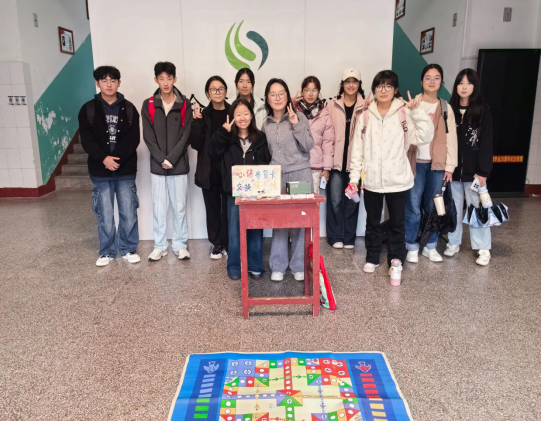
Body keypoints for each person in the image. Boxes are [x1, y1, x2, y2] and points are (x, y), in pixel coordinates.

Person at [348, 70, 434, 274]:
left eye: (388, 86)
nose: (383, 90)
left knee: (397, 222)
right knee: (372, 222)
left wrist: (417, 111)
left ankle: (396, 258)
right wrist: (354, 178)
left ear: (395, 90)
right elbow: (357, 150)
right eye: (379, 86)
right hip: (371, 180)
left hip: (398, 179)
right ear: (374, 90)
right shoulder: (366, 115)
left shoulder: (404, 113)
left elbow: (425, 136)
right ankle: (372, 257)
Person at [79, 65, 141, 267]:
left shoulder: (129, 108)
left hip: (125, 170)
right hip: (100, 171)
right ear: (97, 83)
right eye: (104, 80)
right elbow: (87, 140)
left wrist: (116, 159)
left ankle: (128, 248)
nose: (109, 84)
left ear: (119, 83)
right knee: (104, 215)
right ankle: (107, 251)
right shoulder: (88, 109)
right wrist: (103, 158)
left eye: (113, 80)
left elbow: (133, 139)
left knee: (128, 213)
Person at [211, 99, 271, 280]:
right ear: (232, 117)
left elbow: (266, 161)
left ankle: (255, 265)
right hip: (233, 193)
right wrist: (223, 133)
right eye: (238, 114)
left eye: (245, 113)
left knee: (255, 229)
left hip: (255, 193)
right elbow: (213, 153)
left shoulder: (260, 137)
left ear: (251, 115)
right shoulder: (226, 137)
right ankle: (235, 267)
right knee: (234, 231)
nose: (242, 118)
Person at [261, 78, 315, 282]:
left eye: (281, 93)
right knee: (279, 222)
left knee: (300, 222)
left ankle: (299, 265)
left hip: (300, 173)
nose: (277, 98)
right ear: (267, 98)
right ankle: (278, 266)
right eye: (273, 94)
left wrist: (296, 125)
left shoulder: (299, 117)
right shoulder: (265, 124)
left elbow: (308, 145)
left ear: (287, 96)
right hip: (277, 177)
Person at [405, 64, 458, 263]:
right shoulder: (413, 104)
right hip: (415, 163)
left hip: (437, 165)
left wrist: (450, 167)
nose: (432, 81)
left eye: (436, 78)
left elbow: (451, 139)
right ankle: (411, 245)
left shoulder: (445, 107)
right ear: (421, 81)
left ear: (441, 82)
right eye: (428, 77)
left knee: (434, 206)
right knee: (412, 206)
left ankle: (431, 246)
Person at [142, 62, 193, 262]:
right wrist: (161, 159)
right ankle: (160, 246)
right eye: (161, 78)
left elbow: (186, 135)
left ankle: (180, 245)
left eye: (169, 78)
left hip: (178, 165)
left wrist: (171, 159)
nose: (165, 83)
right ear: (156, 80)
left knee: (180, 208)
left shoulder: (184, 104)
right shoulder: (148, 104)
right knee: (159, 208)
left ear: (175, 79)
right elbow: (148, 137)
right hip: (157, 166)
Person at [446, 68, 494, 266]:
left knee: (477, 207)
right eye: (460, 83)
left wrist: (483, 171)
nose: (464, 87)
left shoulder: (483, 110)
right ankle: (453, 242)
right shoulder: (450, 110)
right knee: (453, 209)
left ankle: (483, 248)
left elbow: (486, 142)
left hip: (475, 173)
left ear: (475, 86)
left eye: (469, 83)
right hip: (453, 171)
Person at [326, 68, 366, 249]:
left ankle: (349, 238)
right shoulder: (332, 105)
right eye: (347, 81)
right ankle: (335, 237)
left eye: (354, 81)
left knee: (352, 202)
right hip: (336, 164)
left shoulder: (366, 106)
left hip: (355, 165)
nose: (351, 85)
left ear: (359, 84)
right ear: (342, 84)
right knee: (335, 201)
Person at [191, 76, 230, 259]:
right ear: (207, 93)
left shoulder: (232, 112)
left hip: (229, 170)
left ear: (226, 91)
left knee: (229, 210)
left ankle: (229, 243)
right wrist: (197, 123)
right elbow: (196, 144)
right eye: (213, 89)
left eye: (220, 88)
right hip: (209, 170)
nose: (217, 92)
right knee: (213, 209)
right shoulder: (203, 115)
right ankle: (216, 243)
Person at [292, 76, 334, 194]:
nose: (310, 94)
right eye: (307, 90)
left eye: (314, 90)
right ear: (302, 92)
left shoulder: (325, 116)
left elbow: (327, 144)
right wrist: (289, 104)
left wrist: (326, 169)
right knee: (296, 202)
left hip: (315, 167)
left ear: (319, 92)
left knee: (313, 202)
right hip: (296, 167)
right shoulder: (293, 112)